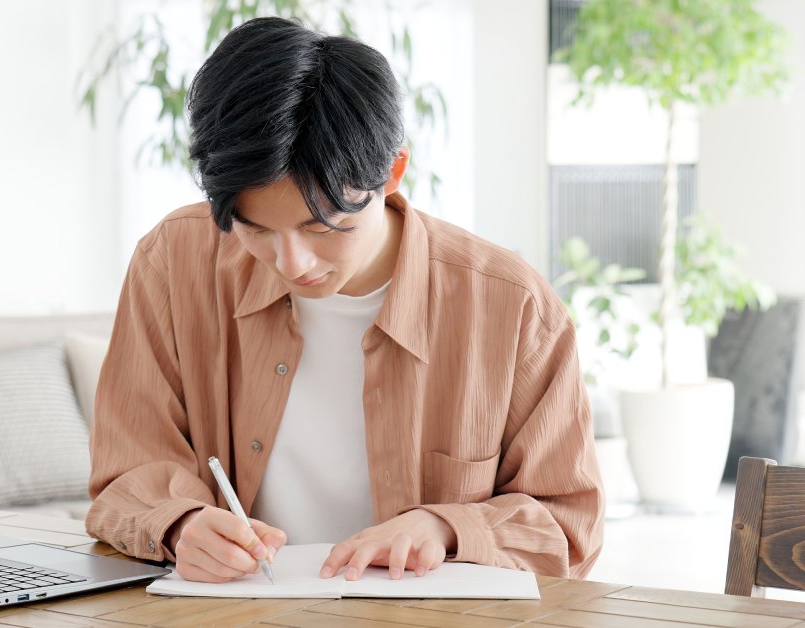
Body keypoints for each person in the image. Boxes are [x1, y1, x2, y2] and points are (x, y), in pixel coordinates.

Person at [86, 16, 604, 584]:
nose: (292, 265)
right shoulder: (174, 263)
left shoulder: (512, 307)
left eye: (324, 227)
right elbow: (127, 467)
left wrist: (446, 529)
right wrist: (182, 524)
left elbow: (569, 527)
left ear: (393, 172)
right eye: (255, 229)